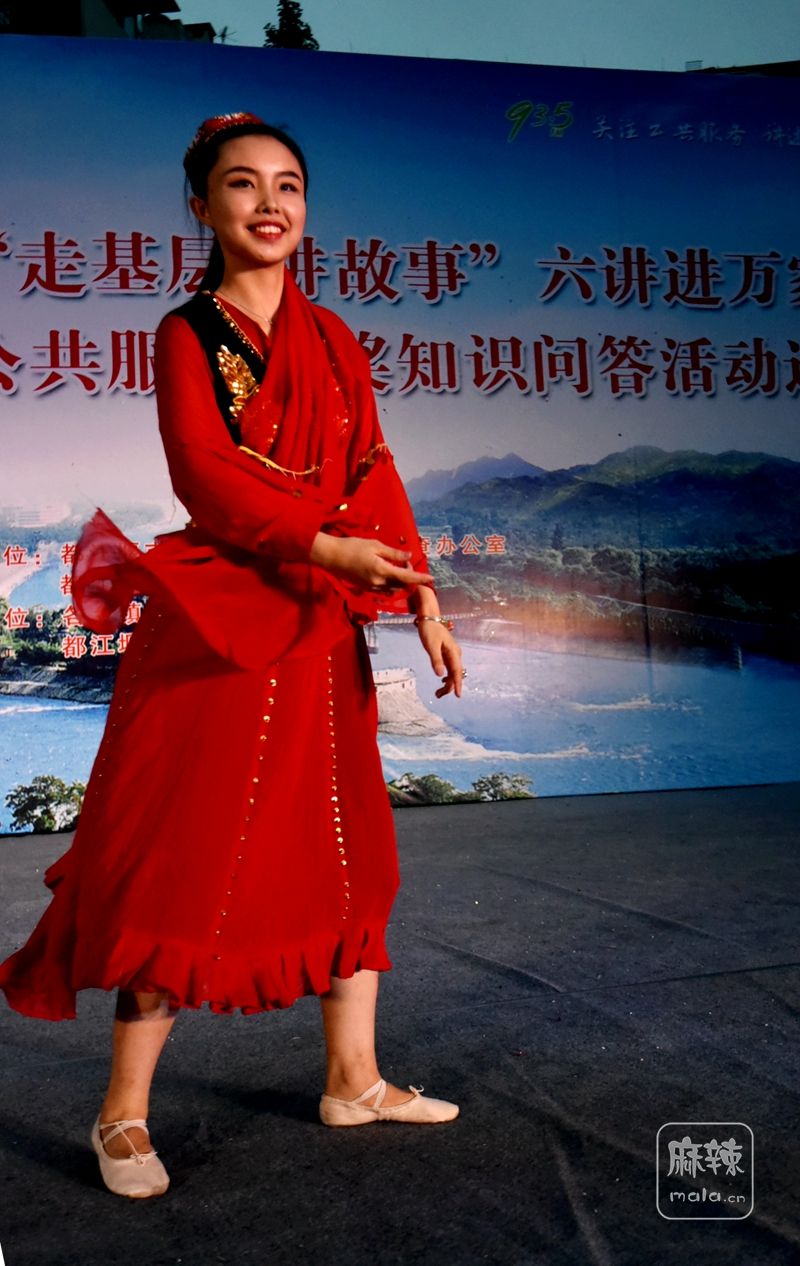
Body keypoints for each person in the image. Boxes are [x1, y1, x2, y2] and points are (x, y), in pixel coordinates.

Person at [0, 112, 466, 1199]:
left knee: (349, 851)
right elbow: (205, 478)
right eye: (244, 184)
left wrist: (423, 595)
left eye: (288, 185)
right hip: (223, 620)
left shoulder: (334, 338)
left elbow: (373, 468)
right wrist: (323, 546)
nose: (269, 203)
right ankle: (121, 1115)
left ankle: (353, 1080)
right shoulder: (185, 334)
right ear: (201, 206)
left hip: (318, 626)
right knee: (187, 860)